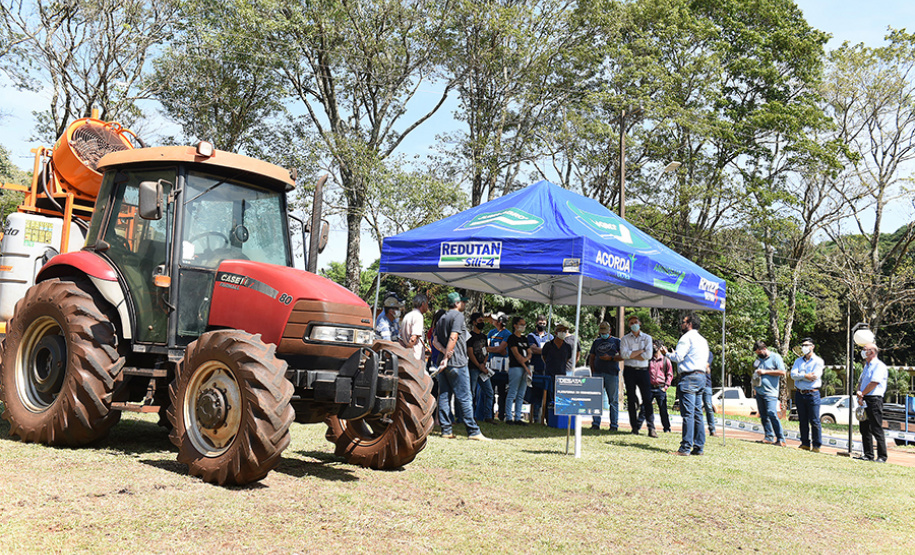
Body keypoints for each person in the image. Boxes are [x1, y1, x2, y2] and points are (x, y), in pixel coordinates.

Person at [434, 292, 490, 441]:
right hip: (457, 363)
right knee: (465, 397)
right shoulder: (458, 316)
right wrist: (448, 356)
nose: (464, 304)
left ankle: (446, 430)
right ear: (457, 303)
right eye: (462, 302)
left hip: (443, 363)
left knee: (444, 396)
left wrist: (444, 354)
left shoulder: (442, 318)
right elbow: (454, 336)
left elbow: (434, 341)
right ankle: (473, 431)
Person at [662, 313, 709, 456]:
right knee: (697, 413)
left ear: (690, 324)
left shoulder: (686, 338)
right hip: (701, 377)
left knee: (688, 414)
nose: (681, 324)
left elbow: (678, 357)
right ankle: (699, 447)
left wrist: (666, 353)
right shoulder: (703, 340)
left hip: (689, 377)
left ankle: (685, 448)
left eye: (683, 322)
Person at [620, 315, 654, 436]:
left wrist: (632, 355)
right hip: (629, 371)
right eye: (631, 323)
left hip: (643, 371)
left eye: (636, 322)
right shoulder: (625, 339)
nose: (634, 324)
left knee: (647, 399)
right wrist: (640, 351)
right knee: (631, 399)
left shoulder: (647, 338)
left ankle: (651, 427)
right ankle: (634, 427)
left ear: (640, 323)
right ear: (629, 325)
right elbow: (624, 355)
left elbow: (648, 355)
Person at [790, 337, 824, 453]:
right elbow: (793, 375)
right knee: (802, 420)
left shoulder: (818, 361)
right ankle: (805, 443)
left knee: (814, 420)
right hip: (800, 393)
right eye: (803, 345)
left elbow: (814, 377)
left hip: (812, 394)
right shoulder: (798, 361)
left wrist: (800, 375)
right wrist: (805, 376)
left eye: (806, 345)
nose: (804, 347)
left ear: (812, 346)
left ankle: (816, 445)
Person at [856, 343, 888, 463]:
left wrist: (862, 393)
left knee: (876, 428)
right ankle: (868, 454)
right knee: (864, 428)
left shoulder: (879, 366)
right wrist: (859, 393)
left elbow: (874, 383)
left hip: (874, 399)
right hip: (864, 399)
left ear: (872, 352)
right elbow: (861, 381)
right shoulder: (866, 366)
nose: (863, 352)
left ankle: (882, 456)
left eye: (865, 350)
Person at [588, 322, 622, 431]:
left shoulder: (617, 341)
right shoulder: (596, 342)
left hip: (611, 373)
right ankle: (595, 423)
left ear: (609, 331)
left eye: (605, 332)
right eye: (602, 333)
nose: (603, 334)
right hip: (598, 373)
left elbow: (623, 356)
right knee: (596, 399)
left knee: (613, 400)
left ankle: (614, 425)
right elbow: (592, 357)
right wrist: (592, 371)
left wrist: (611, 358)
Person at [752, 340, 786, 447]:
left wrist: (765, 372)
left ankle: (781, 439)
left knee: (772, 413)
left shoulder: (776, 357)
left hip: (770, 392)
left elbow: (782, 372)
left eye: (759, 352)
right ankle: (769, 437)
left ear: (764, 349)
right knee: (763, 415)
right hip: (759, 391)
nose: (758, 355)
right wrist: (754, 387)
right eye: (757, 353)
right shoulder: (759, 360)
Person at [541, 324, 574, 422]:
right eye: (561, 331)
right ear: (556, 332)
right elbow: (544, 357)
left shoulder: (567, 346)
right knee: (549, 397)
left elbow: (567, 359)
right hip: (549, 374)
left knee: (560, 397)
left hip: (562, 375)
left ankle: (558, 418)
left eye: (565, 331)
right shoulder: (548, 345)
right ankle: (547, 418)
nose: (563, 333)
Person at [505, 316, 532, 425]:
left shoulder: (524, 339)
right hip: (516, 368)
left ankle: (518, 417)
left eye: (524, 324)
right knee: (512, 392)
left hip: (525, 368)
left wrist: (526, 360)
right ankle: (508, 417)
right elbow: (517, 355)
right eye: (521, 324)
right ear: (515, 325)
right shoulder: (512, 338)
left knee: (521, 394)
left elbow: (529, 352)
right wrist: (525, 366)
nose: (523, 326)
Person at [527, 314, 553, 423]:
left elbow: (552, 351)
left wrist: (541, 350)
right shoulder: (531, 336)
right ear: (536, 323)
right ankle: (535, 417)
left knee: (547, 395)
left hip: (547, 369)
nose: (542, 325)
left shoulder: (550, 337)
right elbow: (532, 349)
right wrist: (546, 351)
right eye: (540, 323)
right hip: (535, 368)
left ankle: (546, 418)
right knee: (535, 394)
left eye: (544, 323)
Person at [486, 312, 511, 421]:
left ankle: (501, 415)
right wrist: (494, 349)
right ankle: (489, 414)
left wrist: (490, 349)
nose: (493, 321)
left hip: (502, 367)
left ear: (500, 322)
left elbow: (501, 349)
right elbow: (487, 346)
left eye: (495, 319)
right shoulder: (491, 332)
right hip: (491, 365)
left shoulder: (507, 334)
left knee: (502, 392)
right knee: (490, 391)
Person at [647, 340, 674, 433]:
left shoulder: (666, 360)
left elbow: (670, 374)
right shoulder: (648, 360)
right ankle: (650, 427)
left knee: (663, 409)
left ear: (659, 348)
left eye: (654, 346)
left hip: (660, 387)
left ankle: (667, 428)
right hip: (650, 387)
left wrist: (665, 387)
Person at [466, 312, 489, 417]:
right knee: (472, 392)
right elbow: (470, 353)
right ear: (474, 322)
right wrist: (478, 365)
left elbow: (486, 352)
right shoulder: (470, 337)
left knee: (489, 392)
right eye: (480, 321)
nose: (482, 323)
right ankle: (470, 415)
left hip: (483, 368)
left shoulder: (484, 336)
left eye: (482, 321)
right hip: (473, 368)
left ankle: (487, 416)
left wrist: (483, 364)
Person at [400, 293, 429, 364]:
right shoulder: (418, 316)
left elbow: (401, 338)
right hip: (415, 358)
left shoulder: (407, 315)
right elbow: (413, 338)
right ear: (423, 304)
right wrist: (408, 351)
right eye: (427, 304)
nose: (427, 307)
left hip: (406, 357)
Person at [703, 354, 716, 437]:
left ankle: (712, 430)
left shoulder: (709, 354)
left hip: (706, 384)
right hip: (696, 384)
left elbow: (706, 365)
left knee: (709, 406)